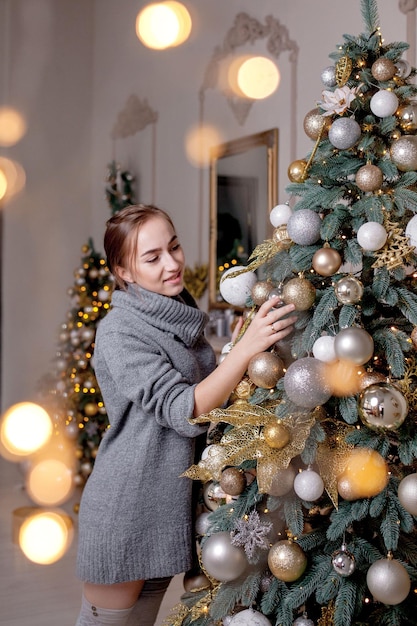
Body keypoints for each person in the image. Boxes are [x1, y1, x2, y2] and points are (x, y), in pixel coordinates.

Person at [75, 203, 297, 626]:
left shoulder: (173, 309)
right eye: (152, 257)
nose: (173, 263)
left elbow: (205, 393)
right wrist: (247, 348)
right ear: (123, 271)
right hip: (127, 509)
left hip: (162, 508)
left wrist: (235, 352)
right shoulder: (120, 330)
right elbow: (185, 409)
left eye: (173, 247)